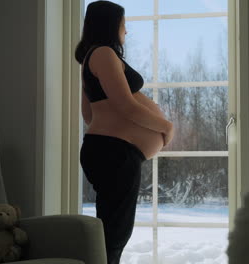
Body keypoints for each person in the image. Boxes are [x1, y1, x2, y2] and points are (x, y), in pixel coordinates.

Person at [75, 1, 174, 263]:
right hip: (114, 154)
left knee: (111, 233)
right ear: (110, 25)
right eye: (123, 25)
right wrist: (166, 127)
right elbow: (126, 106)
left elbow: (89, 114)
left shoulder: (92, 57)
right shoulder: (104, 53)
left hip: (110, 152)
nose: (126, 31)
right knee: (113, 235)